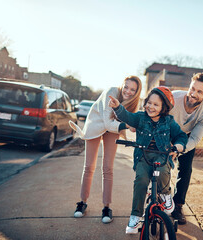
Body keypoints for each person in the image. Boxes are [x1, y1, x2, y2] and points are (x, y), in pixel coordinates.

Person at [108, 86, 188, 234]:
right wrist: (118, 107)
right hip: (143, 157)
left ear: (164, 107)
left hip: (161, 156)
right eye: (149, 102)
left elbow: (181, 136)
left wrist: (177, 146)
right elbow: (126, 116)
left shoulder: (169, 121)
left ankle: (165, 194)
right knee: (141, 181)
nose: (151, 106)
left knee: (163, 172)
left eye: (156, 104)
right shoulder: (140, 117)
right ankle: (135, 215)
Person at [68, 76, 142, 224]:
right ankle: (82, 203)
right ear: (122, 84)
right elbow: (108, 123)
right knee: (89, 166)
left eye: (132, 90)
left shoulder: (134, 102)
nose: (128, 91)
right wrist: (127, 126)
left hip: (112, 130)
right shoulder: (112, 92)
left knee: (107, 168)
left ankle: (106, 207)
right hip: (97, 125)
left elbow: (129, 120)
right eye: (126, 87)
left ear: (136, 92)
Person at [170, 72, 203, 225]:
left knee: (186, 170)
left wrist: (179, 149)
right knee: (160, 166)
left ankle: (177, 206)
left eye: (199, 92)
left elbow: (195, 138)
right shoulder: (172, 99)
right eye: (192, 89)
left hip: (187, 137)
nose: (193, 94)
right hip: (166, 133)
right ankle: (157, 199)